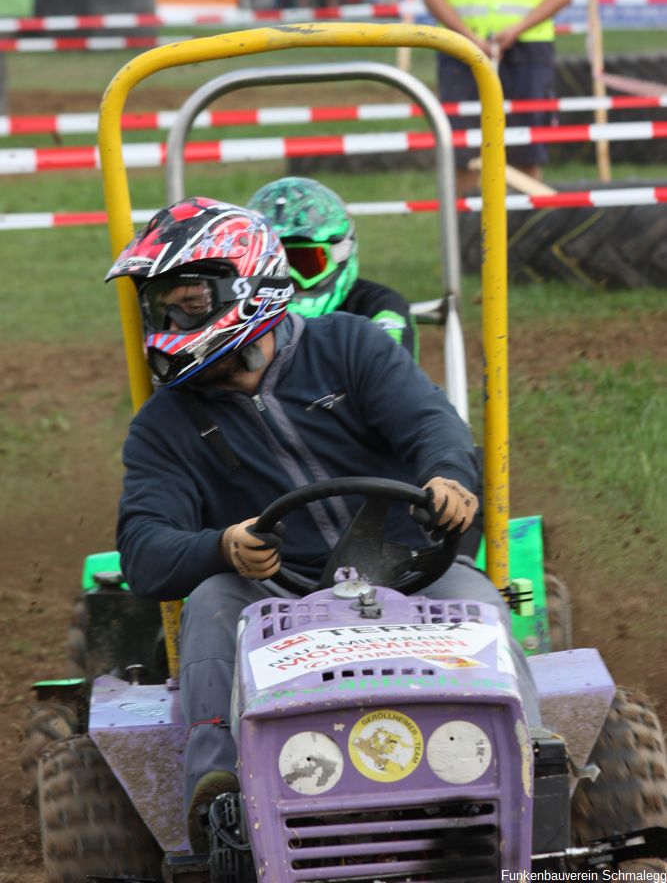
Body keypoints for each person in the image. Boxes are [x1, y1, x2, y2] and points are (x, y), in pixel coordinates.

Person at [105, 196, 541, 853]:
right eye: (161, 303)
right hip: (275, 595)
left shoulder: (350, 346)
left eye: (187, 299)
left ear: (245, 283)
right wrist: (220, 546)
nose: (169, 316)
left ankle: (532, 768)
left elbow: (429, 424)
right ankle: (221, 794)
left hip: (410, 572)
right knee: (211, 600)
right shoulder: (164, 426)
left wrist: (448, 475)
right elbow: (142, 549)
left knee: (477, 601)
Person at [419, 0, 576, 197]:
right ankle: (464, 238)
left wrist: (516, 29)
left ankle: (524, 237)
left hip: (527, 53)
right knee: (463, 151)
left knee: (525, 149)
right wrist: (468, 37)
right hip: (461, 54)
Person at [248, 177, 419, 359]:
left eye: (306, 263)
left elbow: (391, 376)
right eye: (272, 266)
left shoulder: (380, 307)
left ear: (341, 254)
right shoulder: (239, 311)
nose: (288, 281)